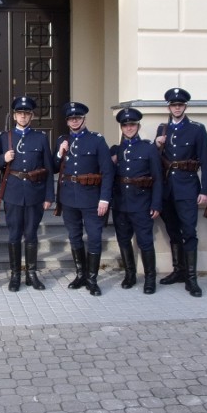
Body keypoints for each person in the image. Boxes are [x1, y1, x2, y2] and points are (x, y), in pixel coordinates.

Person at [0, 96, 54, 291]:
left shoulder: (41, 138)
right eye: (20, 113)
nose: (23, 116)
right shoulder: (4, 137)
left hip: (35, 193)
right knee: (14, 235)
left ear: (32, 116)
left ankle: (31, 274)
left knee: (31, 235)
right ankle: (15, 275)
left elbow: (48, 168)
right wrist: (4, 157)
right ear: (15, 116)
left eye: (26, 113)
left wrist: (49, 196)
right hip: (13, 192)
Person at [154, 88, 207, 297]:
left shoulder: (196, 129)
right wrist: (156, 144)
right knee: (172, 230)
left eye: (180, 105)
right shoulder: (163, 128)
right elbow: (156, 160)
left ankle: (191, 278)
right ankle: (178, 270)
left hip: (187, 187)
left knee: (189, 231)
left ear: (185, 106)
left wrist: (206, 190)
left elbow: (205, 160)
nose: (176, 108)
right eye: (173, 105)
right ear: (168, 107)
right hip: (167, 189)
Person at [54, 101, 114, 296]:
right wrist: (59, 152)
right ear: (67, 121)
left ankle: (92, 279)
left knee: (95, 238)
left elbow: (107, 171)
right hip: (69, 198)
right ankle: (81, 274)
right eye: (71, 118)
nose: (74, 121)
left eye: (78, 118)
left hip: (91, 198)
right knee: (74, 237)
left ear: (84, 119)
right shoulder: (63, 140)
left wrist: (105, 199)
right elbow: (55, 167)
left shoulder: (96, 140)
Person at [110, 108, 163, 292]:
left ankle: (150, 279)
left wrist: (156, 203)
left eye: (132, 124)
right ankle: (130, 275)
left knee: (145, 241)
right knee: (123, 240)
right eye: (125, 125)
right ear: (121, 127)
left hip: (141, 202)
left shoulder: (148, 148)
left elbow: (157, 178)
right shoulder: (116, 150)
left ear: (138, 126)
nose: (129, 128)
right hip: (120, 203)